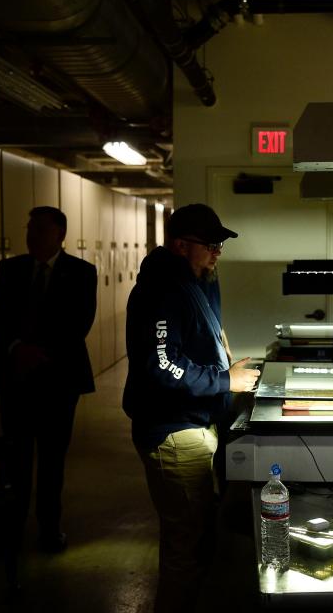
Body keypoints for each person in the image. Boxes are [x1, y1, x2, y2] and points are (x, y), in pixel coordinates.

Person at [122, 203, 260, 612]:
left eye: (221, 244)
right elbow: (162, 366)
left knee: (198, 537)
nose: (218, 251)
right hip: (173, 431)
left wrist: (227, 367)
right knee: (186, 546)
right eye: (211, 244)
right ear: (181, 245)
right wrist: (224, 381)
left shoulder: (197, 280)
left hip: (197, 422)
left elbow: (207, 335)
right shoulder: (162, 289)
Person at [0, 206, 97, 553]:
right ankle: (11, 526)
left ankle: (50, 527)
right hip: (16, 376)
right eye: (29, 229)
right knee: (14, 458)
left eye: (40, 230)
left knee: (52, 460)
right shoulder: (10, 268)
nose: (31, 236)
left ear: (59, 234)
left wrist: (40, 353)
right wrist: (17, 347)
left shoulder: (81, 272)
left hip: (59, 380)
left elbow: (79, 322)